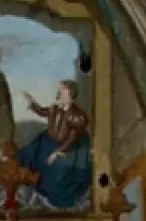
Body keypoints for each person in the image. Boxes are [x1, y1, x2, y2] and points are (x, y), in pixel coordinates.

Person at [17, 79, 95, 209]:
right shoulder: (55, 109)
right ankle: (29, 180)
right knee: (29, 154)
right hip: (48, 141)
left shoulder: (78, 116)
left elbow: (71, 139)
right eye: (59, 91)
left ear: (70, 95)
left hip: (68, 148)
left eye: (62, 92)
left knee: (57, 171)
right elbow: (42, 111)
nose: (59, 94)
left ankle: (53, 195)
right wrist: (31, 102)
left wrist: (57, 153)